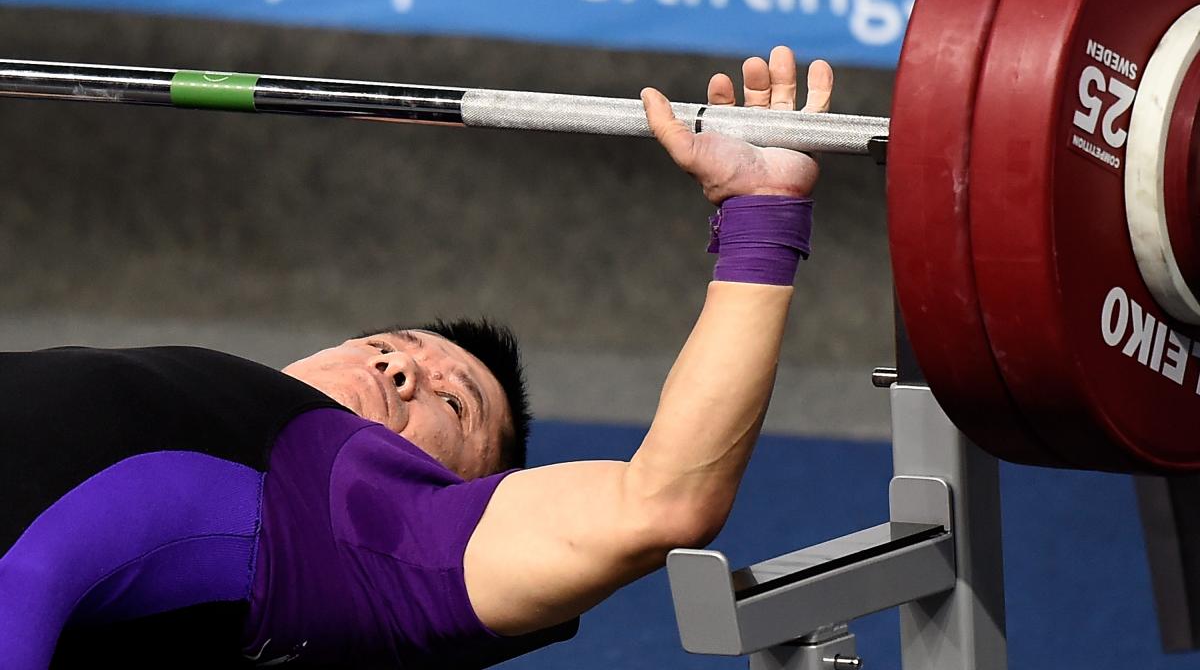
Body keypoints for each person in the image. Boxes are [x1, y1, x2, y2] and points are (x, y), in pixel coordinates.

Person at [0, 47, 832, 668]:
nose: (402, 370)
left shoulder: (385, 547)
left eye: (452, 404)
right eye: (387, 346)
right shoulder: (202, 398)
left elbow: (663, 503)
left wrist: (761, 214)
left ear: (470, 503)